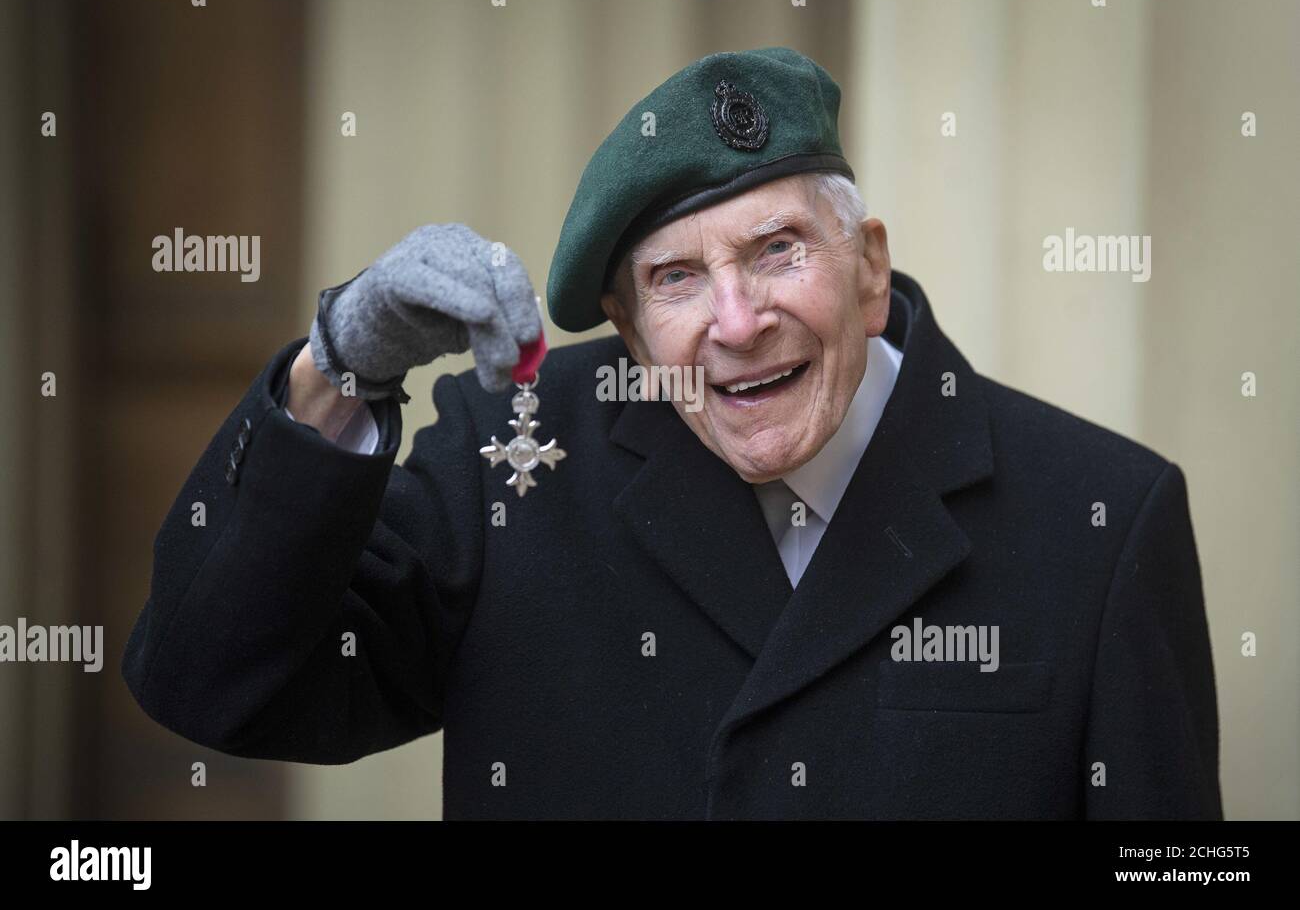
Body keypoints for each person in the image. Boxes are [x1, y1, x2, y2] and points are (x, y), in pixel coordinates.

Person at [122, 47, 1222, 819]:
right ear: (629, 329)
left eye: (779, 248)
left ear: (870, 267)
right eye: (676, 277)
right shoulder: (514, 461)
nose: (737, 322)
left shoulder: (1100, 518)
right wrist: (338, 366)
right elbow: (210, 678)